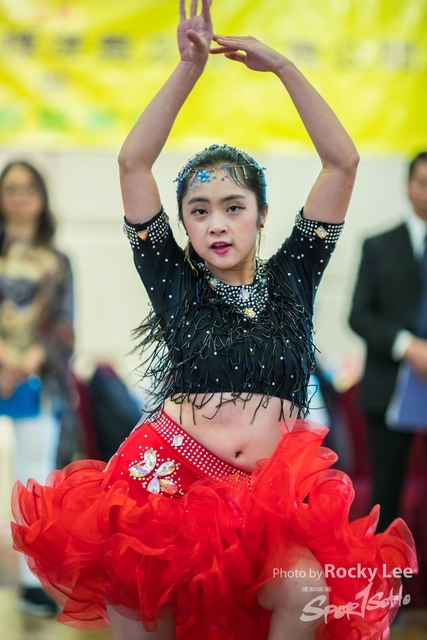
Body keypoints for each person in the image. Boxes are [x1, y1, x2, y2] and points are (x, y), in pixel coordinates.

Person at [11, 2, 417, 639]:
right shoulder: (171, 279)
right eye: (198, 211)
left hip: (263, 500)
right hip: (164, 485)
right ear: (184, 225)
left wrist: (282, 68)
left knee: (306, 591)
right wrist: (187, 70)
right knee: (150, 611)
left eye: (233, 206)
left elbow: (342, 162)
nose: (217, 223)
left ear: (262, 214)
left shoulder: (296, 272)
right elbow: (132, 163)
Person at [0, 160, 75, 616]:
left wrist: (30, 359)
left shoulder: (57, 262)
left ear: (42, 196)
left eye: (29, 187)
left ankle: (33, 581)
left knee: (34, 479)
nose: (20, 195)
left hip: (36, 379)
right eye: (11, 187)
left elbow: (65, 324)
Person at [349, 150, 427, 532]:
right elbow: (358, 315)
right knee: (386, 492)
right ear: (409, 186)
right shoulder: (378, 245)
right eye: (423, 183)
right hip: (389, 387)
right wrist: (407, 345)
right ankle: (384, 568)